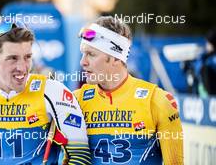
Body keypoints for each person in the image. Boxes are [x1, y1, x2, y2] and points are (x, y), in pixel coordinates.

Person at [0, 20, 91, 165]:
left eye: (27, 57)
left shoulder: (52, 91)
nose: (22, 67)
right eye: (13, 58)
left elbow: (80, 155)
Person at [74, 16, 183, 164]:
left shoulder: (157, 100)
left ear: (116, 59)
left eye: (91, 54)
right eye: (83, 53)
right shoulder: (75, 101)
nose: (83, 62)